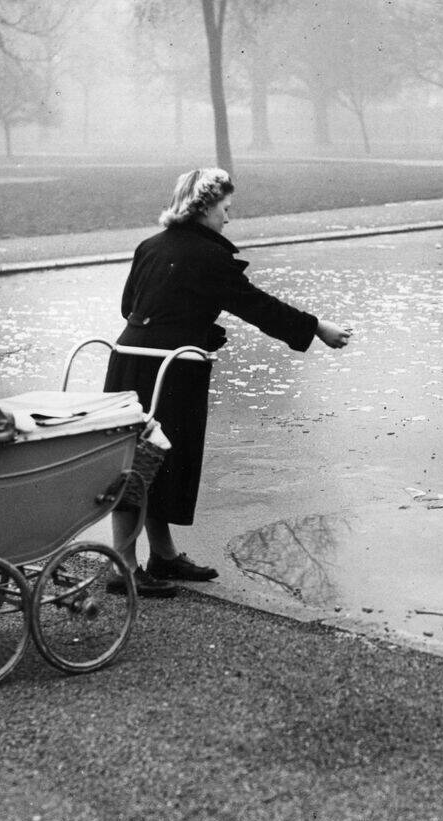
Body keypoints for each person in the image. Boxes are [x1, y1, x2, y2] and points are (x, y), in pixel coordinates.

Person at [104, 167, 352, 597]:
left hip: (129, 360)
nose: (228, 218)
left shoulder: (150, 246)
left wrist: (194, 327)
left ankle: (162, 555)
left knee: (149, 458)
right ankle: (122, 568)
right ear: (204, 207)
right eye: (225, 208)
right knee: (145, 463)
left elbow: (132, 307)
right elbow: (257, 306)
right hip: (170, 368)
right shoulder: (210, 256)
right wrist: (316, 327)